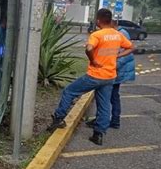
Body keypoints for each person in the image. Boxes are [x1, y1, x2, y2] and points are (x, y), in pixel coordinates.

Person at [47, 8, 135, 145]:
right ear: (110, 20)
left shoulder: (97, 35)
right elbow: (131, 47)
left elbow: (88, 48)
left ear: (99, 20)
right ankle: (98, 135)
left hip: (95, 75)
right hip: (110, 77)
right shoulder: (117, 35)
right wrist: (118, 55)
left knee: (69, 91)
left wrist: (93, 60)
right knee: (104, 105)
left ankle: (58, 119)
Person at [87, 20, 136, 129]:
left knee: (109, 97)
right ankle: (107, 120)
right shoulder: (118, 33)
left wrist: (111, 64)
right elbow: (109, 52)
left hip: (116, 70)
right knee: (110, 96)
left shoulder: (120, 34)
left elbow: (123, 53)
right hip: (115, 69)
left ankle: (110, 121)